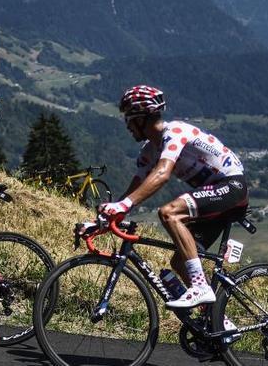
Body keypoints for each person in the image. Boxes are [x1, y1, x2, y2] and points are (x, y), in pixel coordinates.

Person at [100, 85, 247, 308]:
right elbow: (136, 187)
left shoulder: (175, 132)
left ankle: (200, 287)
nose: (127, 125)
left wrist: (124, 205)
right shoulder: (149, 151)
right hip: (214, 200)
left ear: (141, 118)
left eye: (129, 118)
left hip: (232, 186)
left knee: (169, 213)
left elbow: (162, 173)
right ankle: (219, 322)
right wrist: (106, 218)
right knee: (180, 261)